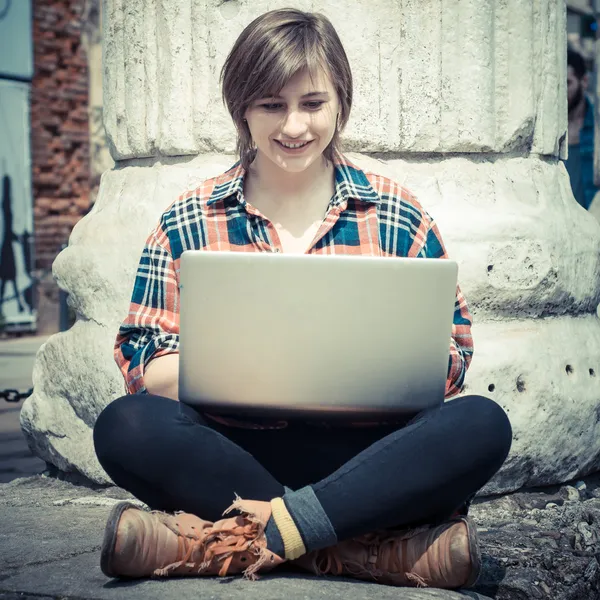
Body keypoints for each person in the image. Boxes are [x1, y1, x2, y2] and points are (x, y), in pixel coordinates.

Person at [93, 8, 512, 590]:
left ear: (340, 102)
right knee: (126, 427)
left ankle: (228, 542)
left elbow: (452, 359)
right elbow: (141, 357)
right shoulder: (188, 218)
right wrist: (248, 367)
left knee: (482, 424)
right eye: (271, 104)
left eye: (312, 103)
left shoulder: (397, 214)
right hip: (238, 455)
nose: (294, 125)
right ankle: (362, 549)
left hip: (366, 459)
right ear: (241, 106)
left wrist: (374, 362)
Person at [565, 48, 598, 210]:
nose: (561, 91)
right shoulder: (551, 131)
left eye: (567, 82)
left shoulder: (597, 129)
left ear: (584, 81)